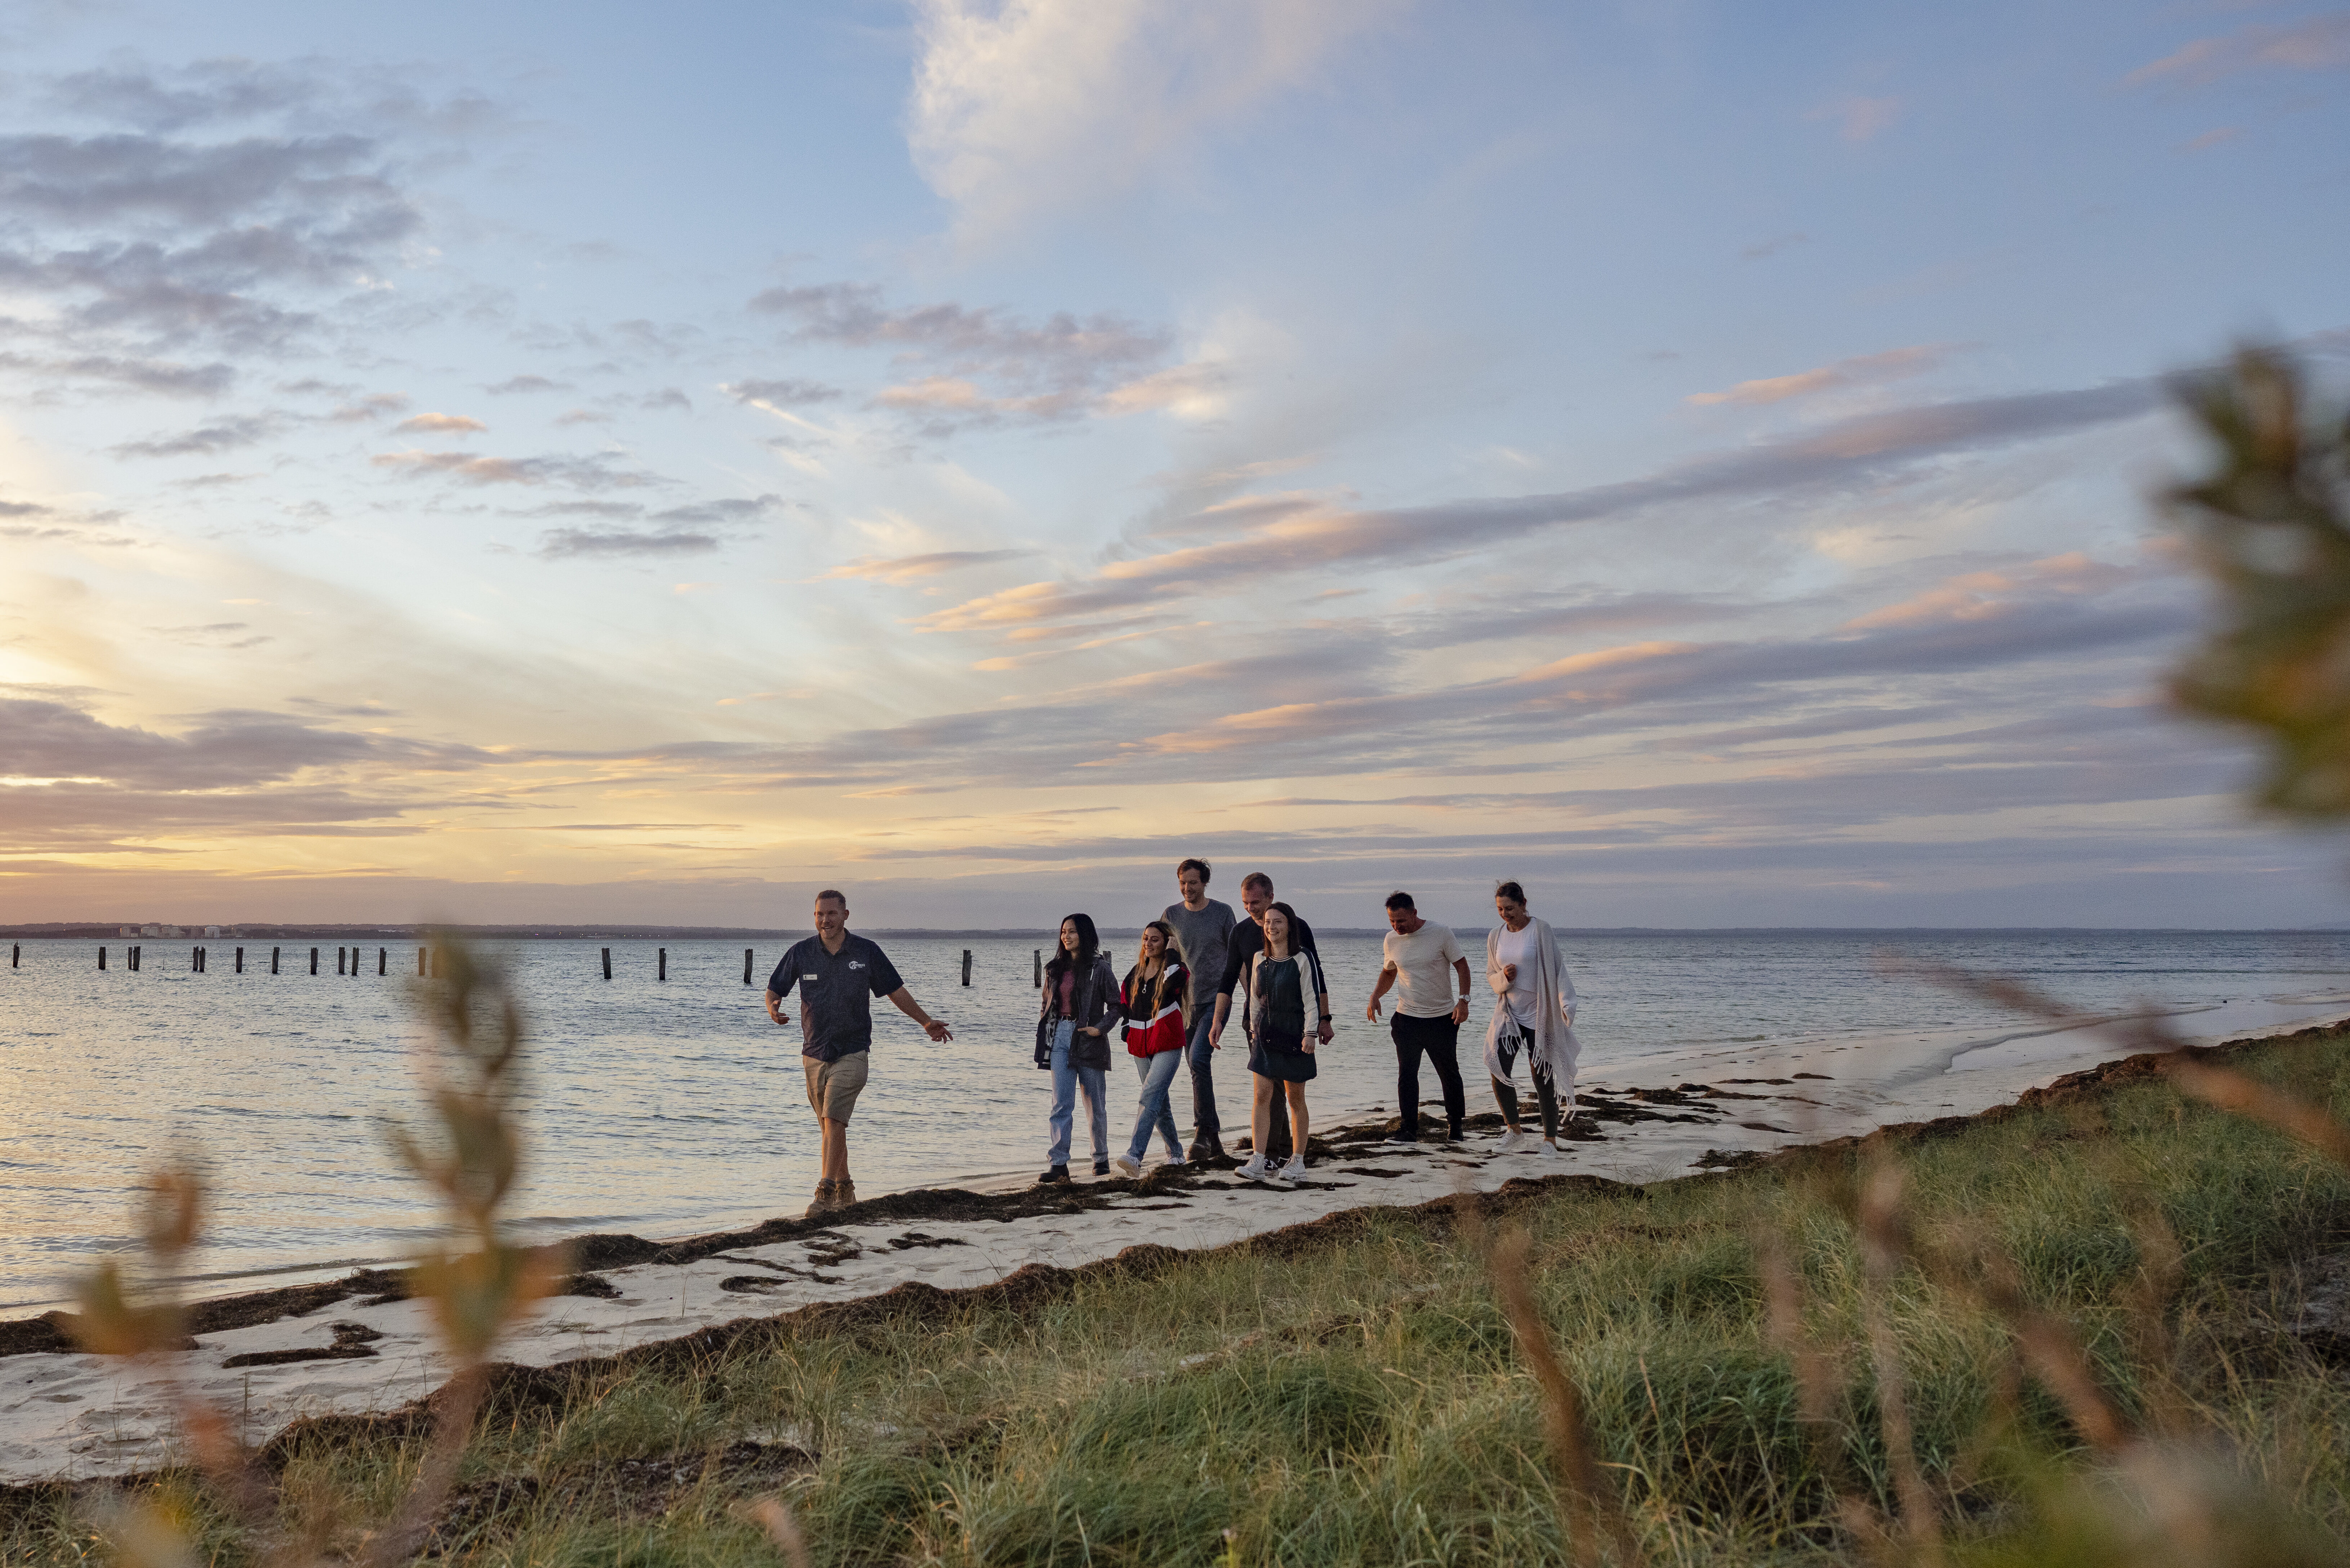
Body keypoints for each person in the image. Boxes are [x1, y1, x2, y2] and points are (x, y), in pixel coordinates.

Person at [764, 889, 952, 1206]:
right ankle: (845, 1189)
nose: (825, 920)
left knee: (834, 1119)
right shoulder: (801, 952)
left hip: (853, 1051)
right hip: (813, 1053)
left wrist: (925, 1021)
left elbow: (895, 991)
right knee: (829, 1125)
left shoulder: (866, 952)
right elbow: (774, 989)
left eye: (832, 914)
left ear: (846, 915)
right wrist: (773, 1008)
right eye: (819, 914)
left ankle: (823, 1193)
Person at [1210, 871, 1326, 1162]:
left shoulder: (1297, 927)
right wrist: (1217, 1021)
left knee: (1290, 1091)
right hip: (1258, 1022)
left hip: (1294, 1023)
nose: (1251, 908)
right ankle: (1269, 1153)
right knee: (1266, 1090)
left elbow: (1316, 976)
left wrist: (1324, 1020)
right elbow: (1228, 980)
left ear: (1271, 897)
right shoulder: (1240, 933)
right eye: (1245, 903)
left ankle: (1287, 1151)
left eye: (1256, 902)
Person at [1365, 890, 1471, 1146]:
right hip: (1406, 1018)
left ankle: (1455, 1128)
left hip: (1441, 1018)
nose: (1396, 926)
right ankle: (1408, 1129)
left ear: (1414, 913)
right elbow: (1389, 972)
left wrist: (1463, 1000)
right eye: (1391, 921)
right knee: (1407, 1075)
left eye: (1401, 920)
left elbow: (1462, 966)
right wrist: (1375, 996)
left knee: (1449, 1074)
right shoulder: (1391, 939)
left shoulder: (1440, 933)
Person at [1484, 880, 1580, 1157]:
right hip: (1509, 1013)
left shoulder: (1540, 930)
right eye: (1501, 909)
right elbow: (1491, 975)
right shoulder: (1495, 935)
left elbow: (1558, 968)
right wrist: (1504, 977)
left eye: (1510, 908)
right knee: (1498, 1070)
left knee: (1543, 1076)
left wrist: (1566, 1003)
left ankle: (1549, 1140)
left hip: (1540, 1013)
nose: (1505, 914)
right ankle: (1514, 1130)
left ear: (1524, 904)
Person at [1236, 902, 1328, 1184]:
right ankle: (1257, 1159)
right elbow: (1253, 999)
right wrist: (1253, 1033)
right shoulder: (1257, 959)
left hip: (1294, 1034)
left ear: (1289, 926)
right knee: (1262, 1096)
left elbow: (1312, 998)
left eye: (1278, 922)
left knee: (1294, 1098)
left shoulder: (1303, 958)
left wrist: (1310, 1033)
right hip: (1264, 1035)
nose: (1271, 927)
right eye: (1267, 922)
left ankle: (1297, 1160)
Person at [1035, 912, 1119, 1183]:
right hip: (1060, 1036)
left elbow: (1117, 1006)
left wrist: (1100, 1028)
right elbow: (1046, 1005)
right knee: (1061, 1103)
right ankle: (1058, 1164)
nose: (1067, 937)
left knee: (1095, 1104)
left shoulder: (1100, 968)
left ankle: (1100, 1158)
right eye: (1063, 932)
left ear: (1085, 934)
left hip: (1089, 1038)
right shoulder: (1054, 969)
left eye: (1072, 932)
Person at [1162, 858, 1236, 1162]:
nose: (1187, 888)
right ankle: (1214, 1143)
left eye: (1193, 882)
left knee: (1198, 1058)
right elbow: (1167, 955)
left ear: (1204, 882)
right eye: (1182, 883)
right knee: (1195, 1068)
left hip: (1216, 998)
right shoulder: (1171, 914)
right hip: (1185, 1003)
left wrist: (1252, 1000)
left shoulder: (1222, 913)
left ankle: (1202, 1131)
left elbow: (1237, 960)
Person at [1111, 919, 1190, 1176]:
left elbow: (1174, 984)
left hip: (1167, 1042)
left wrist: (1173, 954)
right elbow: (1124, 1003)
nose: (1148, 944)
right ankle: (1176, 1155)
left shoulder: (1175, 969)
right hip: (1140, 1046)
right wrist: (1124, 1028)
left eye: (1155, 939)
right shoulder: (1135, 973)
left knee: (1149, 1096)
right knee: (1159, 1102)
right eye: (1146, 938)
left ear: (1166, 942)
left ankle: (1135, 1155)